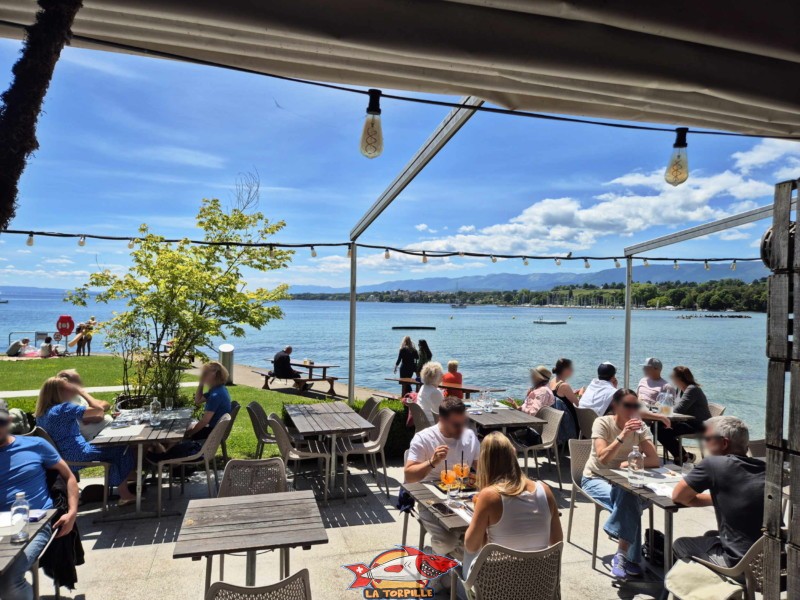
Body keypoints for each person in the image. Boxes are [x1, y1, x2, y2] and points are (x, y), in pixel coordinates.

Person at [0, 399, 79, 600]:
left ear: (8, 421)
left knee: (9, 580)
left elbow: (68, 477)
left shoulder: (35, 445)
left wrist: (71, 513)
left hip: (34, 523)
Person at [582, 388, 660, 579]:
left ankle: (621, 555)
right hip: (596, 478)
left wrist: (628, 462)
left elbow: (654, 460)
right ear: (615, 406)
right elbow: (603, 459)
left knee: (628, 496)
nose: (632, 409)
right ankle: (630, 560)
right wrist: (623, 435)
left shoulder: (640, 427)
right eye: (628, 405)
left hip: (626, 482)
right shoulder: (602, 423)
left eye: (636, 405)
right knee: (630, 499)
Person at [463, 432, 562, 575]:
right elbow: (557, 543)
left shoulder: (489, 496)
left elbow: (471, 546)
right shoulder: (545, 490)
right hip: (540, 584)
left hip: (499, 587)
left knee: (466, 554)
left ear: (484, 462)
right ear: (513, 455)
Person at [672, 416, 765, 567]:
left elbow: (678, 496)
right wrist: (719, 498)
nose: (705, 443)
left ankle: (704, 586)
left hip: (739, 565)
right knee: (710, 536)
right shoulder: (764, 467)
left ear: (723, 443)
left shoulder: (714, 464)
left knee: (680, 544)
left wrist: (712, 498)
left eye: (708, 439)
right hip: (770, 564)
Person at [34, 377, 137, 504]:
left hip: (62, 456)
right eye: (69, 389)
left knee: (113, 449)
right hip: (78, 454)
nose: (72, 392)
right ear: (59, 392)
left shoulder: (42, 414)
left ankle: (121, 490)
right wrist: (82, 392)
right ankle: (124, 493)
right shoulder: (63, 408)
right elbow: (99, 410)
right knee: (122, 447)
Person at [404, 397, 480, 557]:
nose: (461, 429)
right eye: (456, 425)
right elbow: (409, 475)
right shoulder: (424, 438)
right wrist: (432, 462)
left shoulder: (470, 436)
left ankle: (450, 563)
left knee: (484, 536)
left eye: (464, 423)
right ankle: (433, 555)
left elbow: (482, 468)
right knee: (448, 542)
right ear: (442, 419)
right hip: (432, 499)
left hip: (464, 499)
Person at [655, 366, 711, 464]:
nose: (670, 378)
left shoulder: (692, 389)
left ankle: (681, 456)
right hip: (687, 422)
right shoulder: (680, 390)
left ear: (679, 378)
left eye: (672, 376)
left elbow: (678, 409)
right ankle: (684, 456)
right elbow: (673, 407)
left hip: (698, 425)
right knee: (656, 426)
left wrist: (662, 408)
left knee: (662, 429)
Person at [57, 369, 112, 441]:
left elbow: (106, 403)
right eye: (77, 381)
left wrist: (96, 410)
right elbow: (98, 413)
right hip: (97, 438)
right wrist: (97, 411)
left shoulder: (77, 396)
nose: (81, 384)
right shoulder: (66, 404)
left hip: (105, 432)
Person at [187, 361, 232, 440]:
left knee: (179, 433)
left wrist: (189, 434)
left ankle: (166, 451)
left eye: (205, 373)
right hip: (215, 430)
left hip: (211, 432)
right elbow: (198, 401)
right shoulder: (218, 389)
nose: (202, 376)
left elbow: (205, 421)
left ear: (214, 375)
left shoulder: (216, 395)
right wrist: (201, 383)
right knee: (185, 427)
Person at [549, 358, 580, 440]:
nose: (572, 370)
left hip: (559, 421)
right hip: (569, 423)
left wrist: (572, 393)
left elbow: (561, 396)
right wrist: (580, 395)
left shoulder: (552, 381)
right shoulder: (564, 386)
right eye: (571, 368)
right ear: (565, 370)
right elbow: (578, 405)